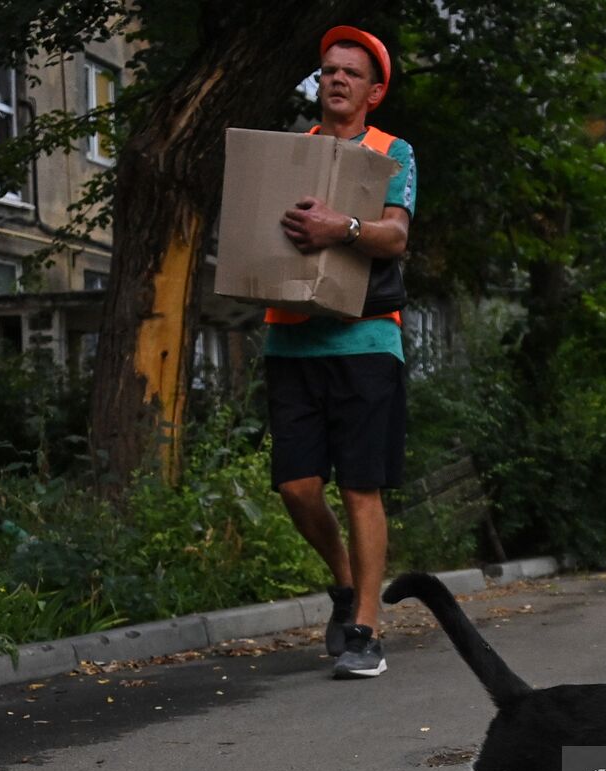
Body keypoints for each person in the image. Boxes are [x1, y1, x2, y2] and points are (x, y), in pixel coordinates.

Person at [263, 26, 417, 679]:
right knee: (297, 487)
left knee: (361, 487)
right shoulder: (285, 155)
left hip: (366, 337)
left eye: (350, 73)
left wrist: (342, 227)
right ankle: (347, 581)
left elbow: (395, 236)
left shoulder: (392, 152)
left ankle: (366, 629)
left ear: (374, 91)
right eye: (328, 70)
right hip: (291, 337)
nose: (336, 79)